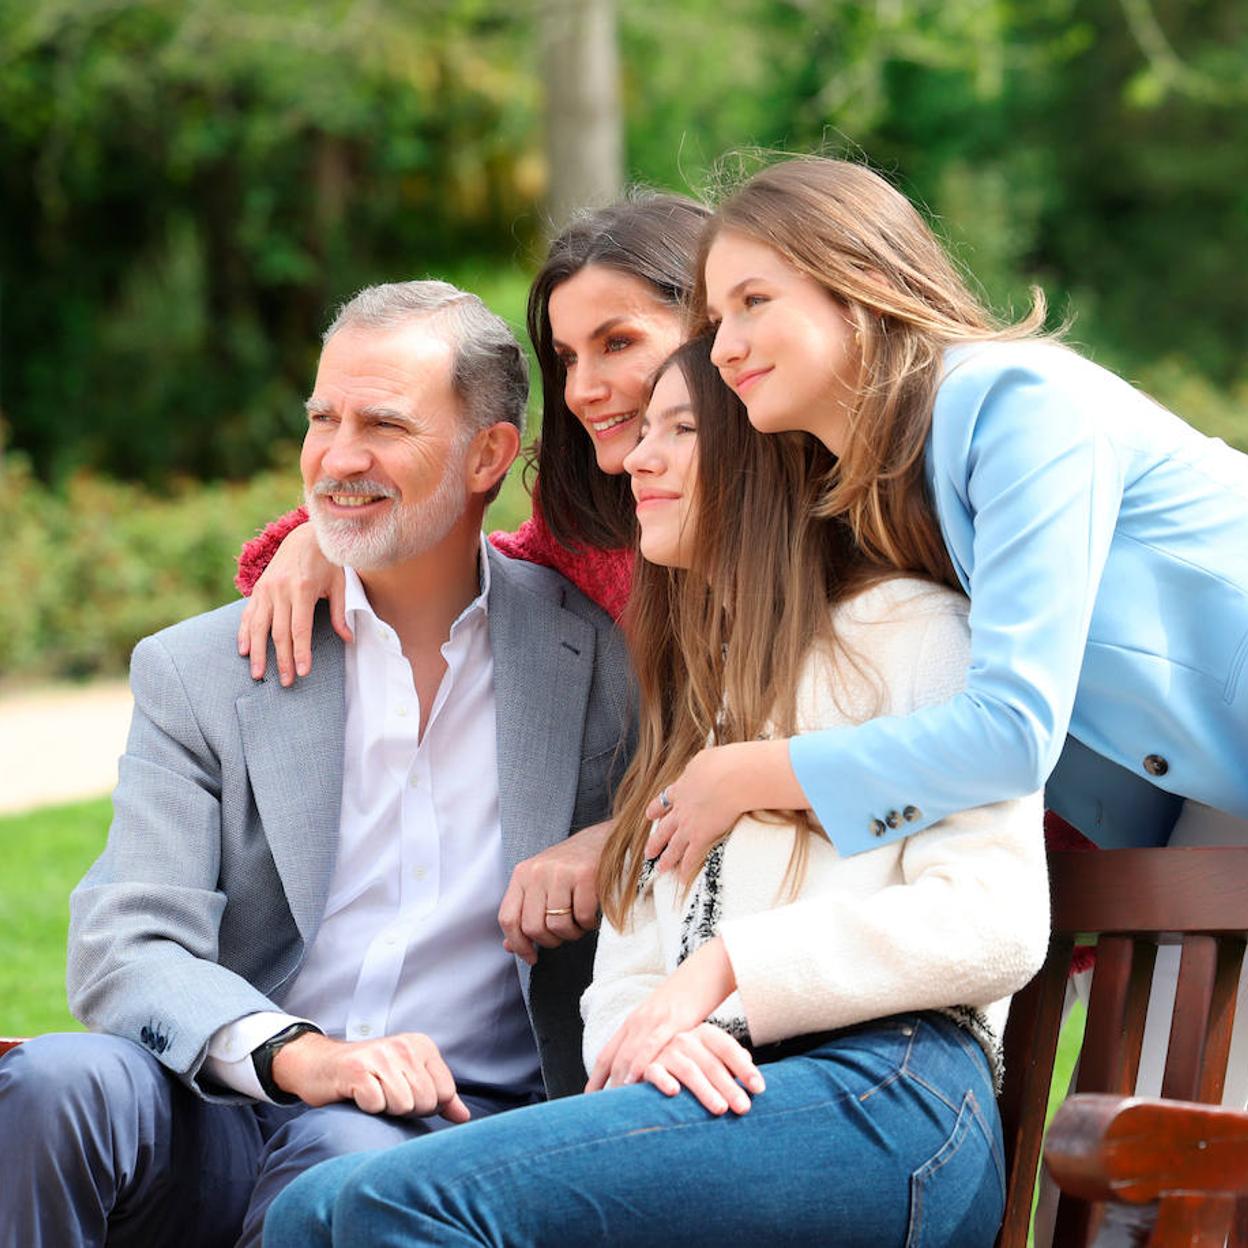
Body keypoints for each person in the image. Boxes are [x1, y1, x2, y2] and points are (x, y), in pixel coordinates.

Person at [262, 334, 1049, 1248]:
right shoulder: (696, 701)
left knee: (383, 1207)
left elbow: (995, 922)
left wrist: (727, 975)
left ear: (766, 460)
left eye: (680, 430)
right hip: (726, 1092)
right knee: (312, 1210)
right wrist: (651, 1036)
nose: (638, 456)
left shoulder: (910, 633)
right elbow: (628, 975)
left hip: (891, 1093)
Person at [0, 281, 634, 1248]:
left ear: (490, 456)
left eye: (383, 423)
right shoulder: (199, 669)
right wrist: (298, 1054)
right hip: (221, 1096)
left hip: (434, 1136)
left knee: (350, 1166)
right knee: (55, 1082)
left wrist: (607, 839)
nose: (338, 458)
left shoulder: (600, 662)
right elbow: (127, 939)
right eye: (322, 418)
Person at [231, 193, 707, 966]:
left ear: (713, 326)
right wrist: (325, 536)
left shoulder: (818, 522)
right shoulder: (597, 518)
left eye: (618, 343)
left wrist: (617, 837)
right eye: (567, 359)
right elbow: (492, 563)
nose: (583, 388)